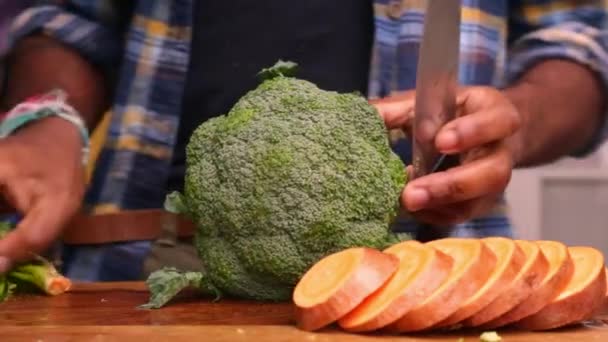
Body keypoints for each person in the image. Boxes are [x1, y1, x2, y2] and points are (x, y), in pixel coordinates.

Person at [0, 1, 606, 281]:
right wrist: (49, 115)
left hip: (427, 258)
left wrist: (516, 121)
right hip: (140, 254)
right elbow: (67, 18)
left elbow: (583, 39)